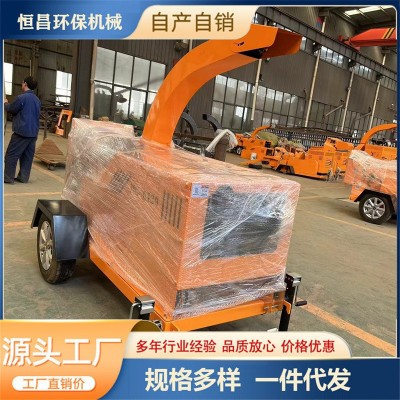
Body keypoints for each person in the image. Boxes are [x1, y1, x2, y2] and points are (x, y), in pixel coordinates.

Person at [4, 76, 41, 184]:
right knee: (27, 157)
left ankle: (8, 178)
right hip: (33, 133)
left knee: (11, 155)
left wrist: (5, 103)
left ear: (25, 84)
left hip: (22, 132)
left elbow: (12, 109)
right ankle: (23, 178)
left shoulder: (22, 98)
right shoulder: (37, 100)